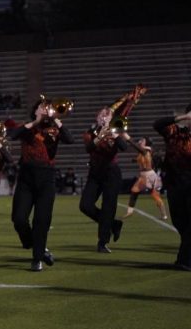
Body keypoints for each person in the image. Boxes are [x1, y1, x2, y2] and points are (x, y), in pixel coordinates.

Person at [10, 98, 73, 271]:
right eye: (42, 108)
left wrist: (57, 121)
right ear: (35, 111)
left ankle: (37, 258)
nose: (45, 110)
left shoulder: (55, 128)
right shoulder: (27, 127)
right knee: (19, 219)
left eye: (48, 108)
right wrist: (36, 122)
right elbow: (12, 135)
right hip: (26, 177)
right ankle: (37, 246)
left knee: (41, 220)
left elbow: (70, 139)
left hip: (47, 177)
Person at [79, 123, 129, 253]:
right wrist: (100, 135)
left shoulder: (115, 132)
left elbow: (124, 147)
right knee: (85, 205)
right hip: (95, 172)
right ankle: (113, 224)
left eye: (107, 114)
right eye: (102, 114)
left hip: (111, 172)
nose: (104, 116)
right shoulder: (91, 132)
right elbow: (89, 148)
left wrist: (115, 135)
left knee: (108, 207)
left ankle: (103, 242)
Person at [153, 107, 191, 270]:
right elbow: (157, 124)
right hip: (175, 183)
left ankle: (185, 261)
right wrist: (181, 118)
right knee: (179, 221)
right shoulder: (173, 132)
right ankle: (185, 257)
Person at [123, 137, 167, 220]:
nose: (140, 141)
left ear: (146, 143)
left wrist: (129, 139)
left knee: (155, 195)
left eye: (143, 140)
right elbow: (144, 159)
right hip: (143, 175)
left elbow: (139, 150)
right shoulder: (143, 151)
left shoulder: (146, 150)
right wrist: (135, 160)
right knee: (134, 191)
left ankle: (164, 214)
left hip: (149, 175)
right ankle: (129, 212)